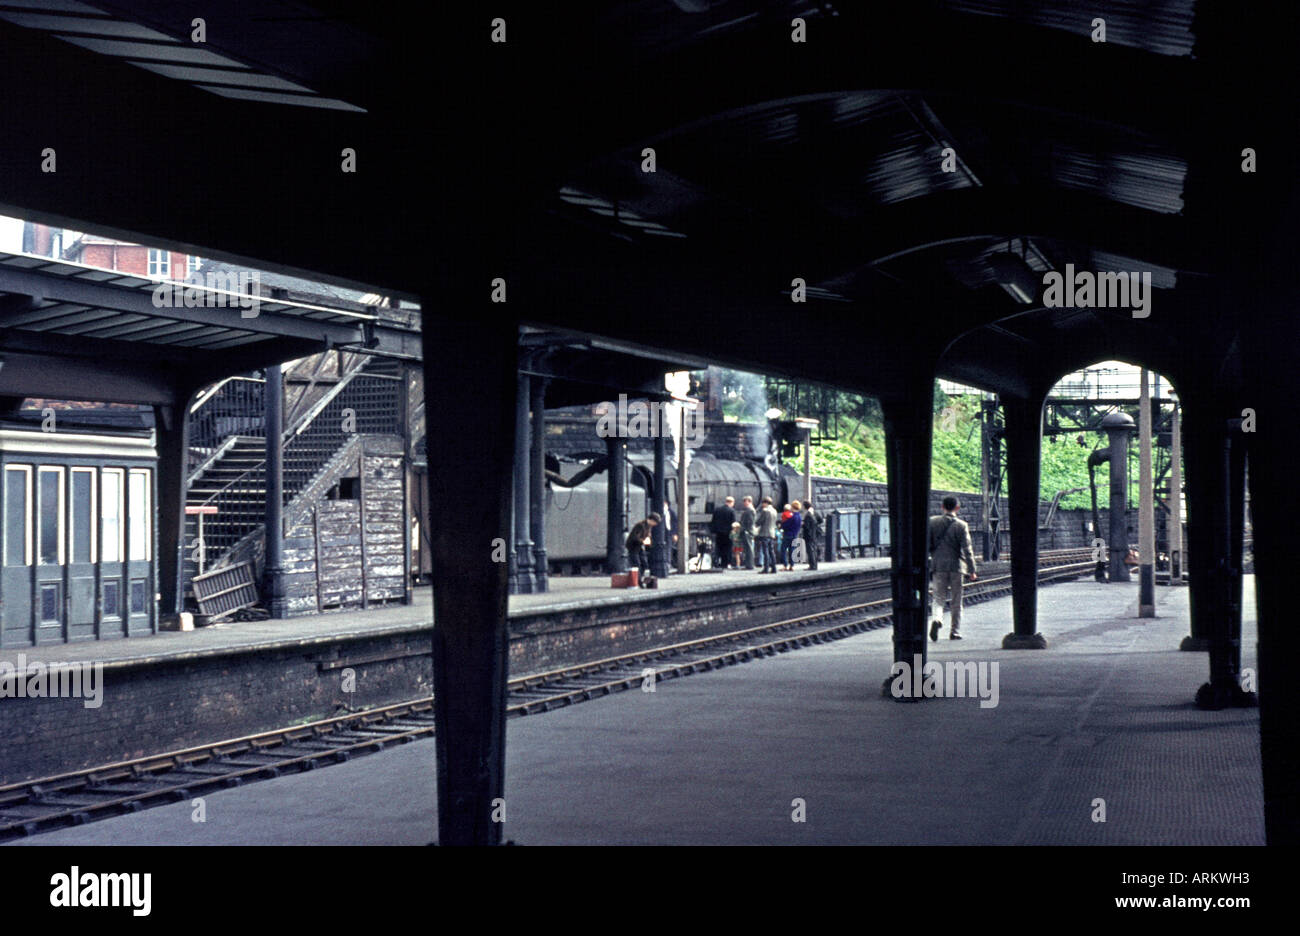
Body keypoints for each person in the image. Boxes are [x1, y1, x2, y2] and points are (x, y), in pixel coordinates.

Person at [928, 496, 977, 640]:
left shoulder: (932, 522)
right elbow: (967, 549)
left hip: (939, 566)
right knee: (956, 600)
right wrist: (972, 570)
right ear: (957, 508)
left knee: (938, 598)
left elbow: (927, 544)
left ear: (942, 507)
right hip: (957, 567)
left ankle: (937, 619)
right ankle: (954, 631)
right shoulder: (961, 525)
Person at [626, 512, 661, 586]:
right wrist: (643, 541)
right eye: (655, 522)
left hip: (639, 547)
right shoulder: (640, 525)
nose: (655, 525)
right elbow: (634, 537)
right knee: (637, 564)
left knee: (644, 563)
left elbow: (648, 537)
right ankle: (638, 581)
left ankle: (639, 579)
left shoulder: (648, 526)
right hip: (633, 546)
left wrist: (648, 542)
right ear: (651, 520)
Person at [711, 496, 736, 569]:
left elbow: (713, 521)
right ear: (731, 502)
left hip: (719, 533)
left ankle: (717, 562)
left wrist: (714, 530)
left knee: (719, 548)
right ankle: (726, 563)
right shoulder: (731, 511)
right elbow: (733, 523)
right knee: (728, 548)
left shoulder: (717, 510)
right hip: (728, 533)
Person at [756, 496, 779, 573]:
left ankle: (766, 568)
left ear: (765, 503)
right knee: (771, 551)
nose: (762, 505)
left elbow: (760, 521)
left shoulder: (765, 511)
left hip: (765, 533)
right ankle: (774, 568)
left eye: (763, 503)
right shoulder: (774, 511)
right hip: (772, 533)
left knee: (765, 551)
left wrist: (756, 523)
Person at [780, 499, 803, 570]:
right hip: (795, 535)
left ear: (793, 507)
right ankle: (792, 565)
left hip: (788, 534)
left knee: (783, 549)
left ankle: (785, 565)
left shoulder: (793, 517)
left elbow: (785, 525)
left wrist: (782, 524)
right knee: (792, 550)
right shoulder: (799, 517)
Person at [738, 495, 757, 569]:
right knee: (747, 548)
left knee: (749, 548)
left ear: (749, 501)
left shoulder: (750, 510)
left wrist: (746, 530)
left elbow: (750, 522)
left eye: (745, 501)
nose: (743, 503)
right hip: (747, 531)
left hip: (748, 531)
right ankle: (748, 564)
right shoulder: (749, 510)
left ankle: (750, 565)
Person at [801, 499, 821, 570]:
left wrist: (803, 524)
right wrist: (815, 526)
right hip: (814, 534)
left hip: (809, 536)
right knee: (814, 550)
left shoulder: (808, 515)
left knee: (810, 551)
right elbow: (820, 520)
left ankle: (812, 566)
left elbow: (806, 526)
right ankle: (815, 565)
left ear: (805, 506)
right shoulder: (814, 513)